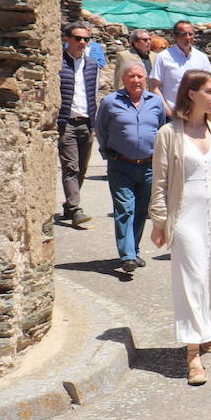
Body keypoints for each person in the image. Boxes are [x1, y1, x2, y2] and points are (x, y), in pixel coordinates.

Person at [148, 70, 211, 386]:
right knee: (191, 276)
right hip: (185, 213)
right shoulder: (168, 134)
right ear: (192, 93)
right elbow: (160, 182)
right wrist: (159, 221)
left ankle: (206, 331)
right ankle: (192, 353)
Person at [94, 61, 166, 272]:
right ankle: (127, 256)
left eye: (140, 77)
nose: (136, 80)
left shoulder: (155, 102)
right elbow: (101, 129)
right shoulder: (109, 102)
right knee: (125, 209)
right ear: (123, 79)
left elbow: (161, 130)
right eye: (131, 76)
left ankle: (132, 250)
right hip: (121, 165)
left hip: (148, 166)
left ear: (145, 79)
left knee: (142, 210)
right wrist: (109, 153)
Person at [58, 21, 101, 227]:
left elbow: (93, 94)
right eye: (78, 38)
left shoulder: (92, 64)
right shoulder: (58, 62)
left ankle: (69, 205)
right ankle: (76, 210)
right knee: (71, 167)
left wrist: (95, 122)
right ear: (67, 39)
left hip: (87, 123)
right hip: (67, 123)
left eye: (86, 39)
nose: (82, 42)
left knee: (82, 169)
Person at [151, 20, 211, 116]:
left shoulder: (202, 57)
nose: (188, 38)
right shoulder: (163, 57)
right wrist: (167, 111)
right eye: (184, 34)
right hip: (174, 115)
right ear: (175, 36)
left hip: (198, 115)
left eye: (190, 34)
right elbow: (154, 87)